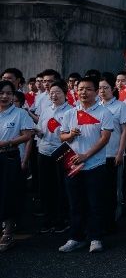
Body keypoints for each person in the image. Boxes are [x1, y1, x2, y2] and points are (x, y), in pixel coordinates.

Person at [58, 76, 113, 253]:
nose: (83, 92)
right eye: (80, 89)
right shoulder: (70, 113)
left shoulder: (104, 113)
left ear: (96, 92)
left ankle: (95, 238)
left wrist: (86, 156)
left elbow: (105, 139)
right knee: (75, 203)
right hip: (73, 166)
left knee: (95, 203)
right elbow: (62, 136)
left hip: (95, 165)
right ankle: (76, 238)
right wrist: (70, 135)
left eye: (88, 89)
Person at [0, 80, 35, 252]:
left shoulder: (20, 113)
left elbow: (27, 135)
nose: (4, 96)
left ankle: (8, 232)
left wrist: (8, 142)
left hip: (9, 156)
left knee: (8, 194)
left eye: (8, 93)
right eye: (1, 93)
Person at [34, 80, 71, 234]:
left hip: (61, 153)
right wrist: (38, 132)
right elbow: (41, 130)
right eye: (51, 93)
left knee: (61, 187)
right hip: (44, 152)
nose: (54, 95)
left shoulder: (71, 111)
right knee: (45, 187)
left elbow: (70, 135)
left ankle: (61, 219)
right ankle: (48, 219)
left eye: (58, 92)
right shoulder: (46, 110)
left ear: (65, 93)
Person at [98, 75, 126, 234]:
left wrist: (120, 152)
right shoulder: (95, 106)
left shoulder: (120, 106)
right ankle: (100, 221)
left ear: (113, 88)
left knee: (113, 190)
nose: (102, 91)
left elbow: (125, 131)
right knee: (99, 190)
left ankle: (112, 222)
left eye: (105, 88)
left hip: (113, 153)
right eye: (100, 88)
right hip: (96, 155)